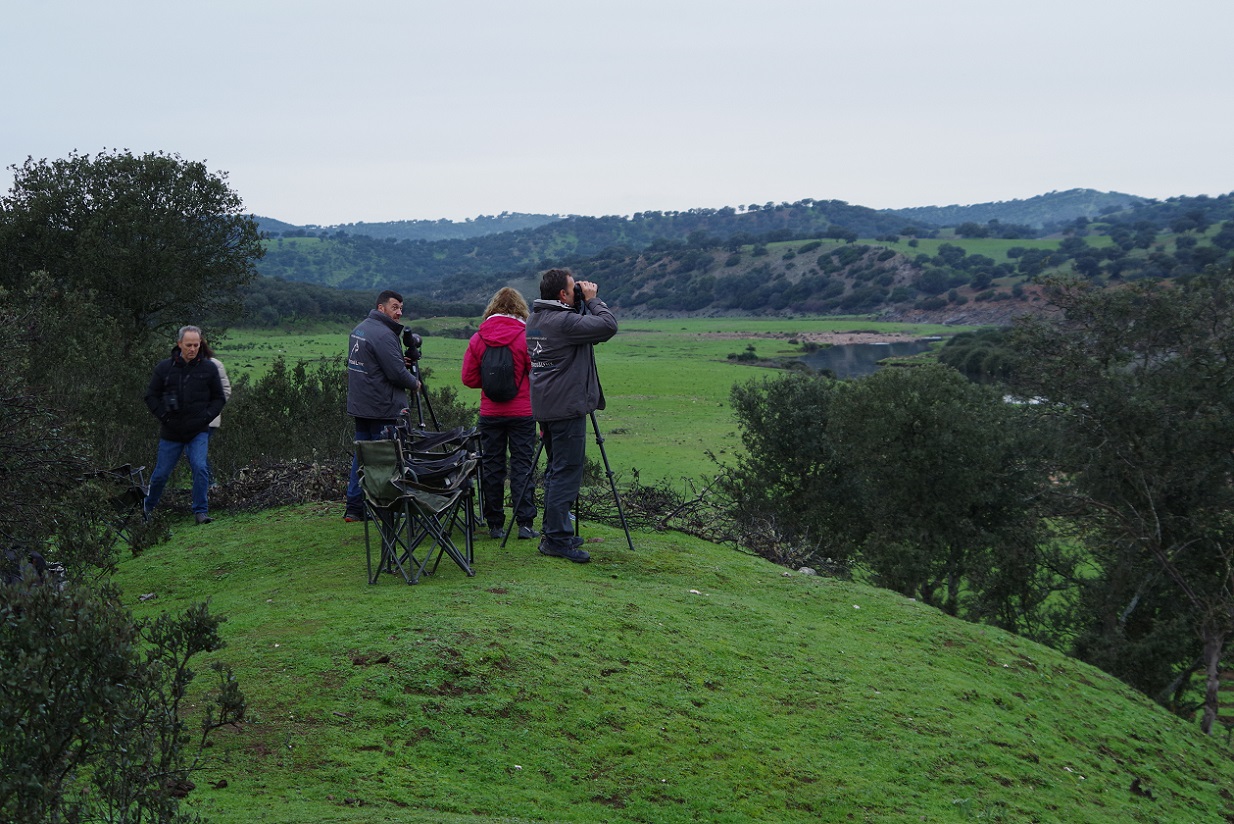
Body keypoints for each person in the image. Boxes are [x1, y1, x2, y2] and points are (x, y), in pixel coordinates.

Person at [526, 267, 618, 563]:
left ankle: (556, 529)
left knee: (556, 469)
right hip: (566, 407)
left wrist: (578, 304)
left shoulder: (536, 319)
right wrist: (593, 299)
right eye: (572, 288)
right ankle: (556, 540)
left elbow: (579, 331)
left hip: (547, 406)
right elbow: (607, 326)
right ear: (562, 295)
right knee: (566, 472)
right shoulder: (564, 322)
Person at [461, 287, 538, 540]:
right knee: (522, 465)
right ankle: (524, 523)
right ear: (520, 308)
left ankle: (495, 523)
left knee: (492, 467)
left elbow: (468, 378)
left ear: (492, 308)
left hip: (490, 412)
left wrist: (491, 382)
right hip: (522, 411)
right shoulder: (525, 335)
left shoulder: (478, 338)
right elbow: (535, 374)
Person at [344, 290, 420, 521]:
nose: (398, 313)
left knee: (363, 456)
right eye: (394, 307)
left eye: (400, 308)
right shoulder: (385, 335)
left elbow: (374, 363)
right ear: (381, 308)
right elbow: (396, 374)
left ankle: (354, 507)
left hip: (361, 404)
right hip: (382, 407)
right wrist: (415, 384)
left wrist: (397, 359)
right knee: (386, 459)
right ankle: (383, 507)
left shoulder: (360, 329)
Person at [144, 325, 227, 525]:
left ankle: (201, 512)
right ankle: (147, 510)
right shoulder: (164, 368)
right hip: (171, 432)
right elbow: (150, 396)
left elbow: (219, 398)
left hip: (198, 431)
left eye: (196, 345)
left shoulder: (209, 368)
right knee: (161, 474)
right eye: (188, 345)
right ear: (179, 343)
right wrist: (164, 417)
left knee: (200, 468)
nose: (192, 349)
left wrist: (205, 417)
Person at [199, 336, 232, 490]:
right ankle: (207, 484)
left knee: (197, 452)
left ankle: (210, 484)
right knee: (195, 453)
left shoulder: (214, 364)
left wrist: (211, 410)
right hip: (188, 420)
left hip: (208, 419)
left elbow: (225, 391)